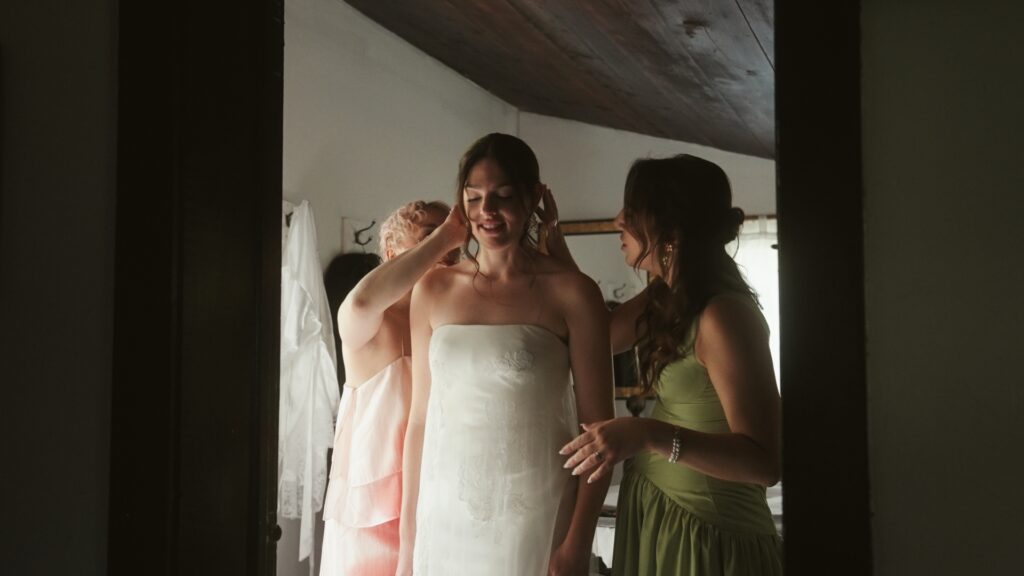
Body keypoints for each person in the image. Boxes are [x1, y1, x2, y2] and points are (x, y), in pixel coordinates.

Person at [397, 133, 615, 576]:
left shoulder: (573, 292)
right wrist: (408, 542)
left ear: (534, 197)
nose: (486, 212)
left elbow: (599, 435)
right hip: (445, 519)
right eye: (474, 198)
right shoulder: (433, 289)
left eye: (503, 196)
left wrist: (576, 545)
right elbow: (421, 419)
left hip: (533, 518)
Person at [558, 154, 783, 575]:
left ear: (671, 230)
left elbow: (765, 463)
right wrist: (553, 243)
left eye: (634, 209)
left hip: (706, 536)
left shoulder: (723, 316)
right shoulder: (667, 296)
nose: (618, 218)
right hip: (659, 519)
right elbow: (594, 335)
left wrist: (648, 435)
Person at [319, 200, 465, 576]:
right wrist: (447, 236)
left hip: (444, 499)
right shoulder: (370, 323)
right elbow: (364, 299)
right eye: (429, 236)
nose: (448, 253)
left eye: (456, 246)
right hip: (371, 514)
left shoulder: (454, 326)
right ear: (391, 253)